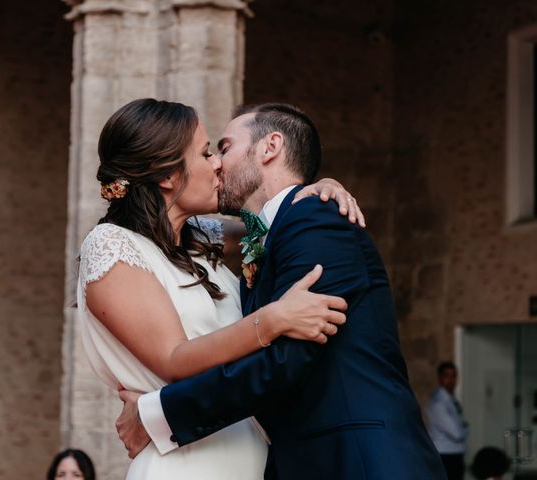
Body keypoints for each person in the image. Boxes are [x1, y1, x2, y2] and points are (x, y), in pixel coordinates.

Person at [116, 102, 447, 479]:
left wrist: (158, 415)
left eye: (224, 148)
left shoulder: (316, 219)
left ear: (270, 147)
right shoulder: (275, 233)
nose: (217, 164)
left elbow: (288, 359)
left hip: (359, 459)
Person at [77, 98, 361, 479]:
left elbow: (276, 214)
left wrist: (317, 189)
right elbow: (175, 360)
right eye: (206, 153)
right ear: (167, 175)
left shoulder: (200, 239)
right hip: (186, 463)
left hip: (247, 458)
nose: (217, 164)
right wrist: (273, 319)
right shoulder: (111, 245)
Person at [425, 361, 469, 480]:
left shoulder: (451, 399)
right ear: (440, 378)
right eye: (447, 376)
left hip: (455, 455)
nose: (451, 380)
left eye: (453, 376)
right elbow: (457, 433)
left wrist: (462, 427)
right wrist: (465, 428)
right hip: (445, 455)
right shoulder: (438, 403)